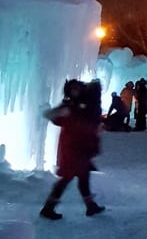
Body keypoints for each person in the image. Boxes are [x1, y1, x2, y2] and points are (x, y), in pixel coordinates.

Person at [40, 79, 105, 220]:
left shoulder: (80, 106)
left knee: (82, 177)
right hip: (72, 149)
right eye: (73, 89)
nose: (75, 91)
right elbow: (56, 118)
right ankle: (48, 208)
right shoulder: (72, 107)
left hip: (80, 148)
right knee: (68, 178)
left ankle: (90, 206)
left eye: (77, 88)